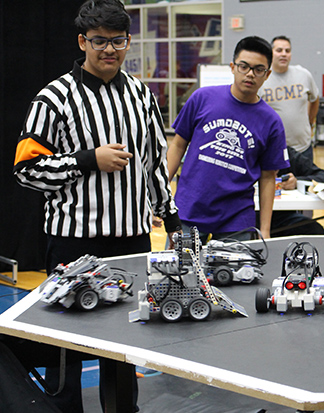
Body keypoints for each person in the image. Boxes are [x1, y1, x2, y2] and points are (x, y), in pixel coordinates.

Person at [10, 0, 181, 411]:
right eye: (100, 41)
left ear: (127, 42)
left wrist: (172, 220)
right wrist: (88, 160)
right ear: (82, 41)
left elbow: (154, 163)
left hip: (133, 241)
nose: (110, 50)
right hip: (73, 244)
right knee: (67, 348)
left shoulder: (141, 95)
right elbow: (25, 169)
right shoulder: (54, 97)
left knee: (126, 345)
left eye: (118, 41)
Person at [167, 36, 289, 243]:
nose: (250, 74)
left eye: (258, 69)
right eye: (244, 66)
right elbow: (178, 145)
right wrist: (161, 196)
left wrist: (265, 230)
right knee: (180, 274)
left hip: (237, 219)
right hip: (189, 210)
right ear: (232, 67)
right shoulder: (202, 98)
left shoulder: (271, 122)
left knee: (235, 275)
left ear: (267, 75)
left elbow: (268, 177)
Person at [260, 35, 320, 162]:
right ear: (271, 53)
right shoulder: (262, 78)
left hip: (303, 148)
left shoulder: (303, 75)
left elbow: (315, 99)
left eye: (287, 51)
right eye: (279, 50)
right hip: (274, 149)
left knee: (305, 181)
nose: (284, 54)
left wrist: (310, 121)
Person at [261, 146, 324, 237]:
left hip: (281, 217)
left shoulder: (287, 154)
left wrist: (297, 182)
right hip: (250, 216)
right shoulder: (246, 155)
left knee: (314, 230)